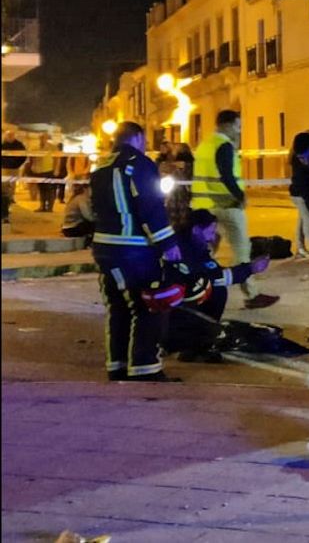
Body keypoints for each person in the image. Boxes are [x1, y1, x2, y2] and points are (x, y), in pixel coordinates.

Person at [90, 121, 183, 382]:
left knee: (118, 307)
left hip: (105, 248)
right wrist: (168, 243)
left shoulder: (101, 166)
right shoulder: (139, 163)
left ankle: (117, 365)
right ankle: (145, 368)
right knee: (148, 305)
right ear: (139, 138)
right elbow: (150, 206)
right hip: (132, 248)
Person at [191, 110, 277, 309]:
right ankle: (251, 294)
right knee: (241, 249)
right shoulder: (224, 146)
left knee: (205, 251)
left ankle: (195, 287)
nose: (239, 131)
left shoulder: (205, 145)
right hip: (227, 206)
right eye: (237, 126)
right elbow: (226, 176)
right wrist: (240, 196)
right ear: (226, 125)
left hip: (204, 208)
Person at [163, 209, 272, 362]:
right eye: (211, 231)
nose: (213, 236)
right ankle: (191, 343)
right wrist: (250, 269)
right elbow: (212, 277)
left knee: (216, 290)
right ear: (196, 230)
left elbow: (214, 271)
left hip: (177, 305)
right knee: (215, 291)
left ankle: (195, 342)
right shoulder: (184, 249)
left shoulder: (195, 246)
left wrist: (247, 268)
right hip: (174, 309)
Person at [288, 131, 309, 260]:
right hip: (300, 194)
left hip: (296, 193)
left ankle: (300, 247)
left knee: (302, 220)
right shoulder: (302, 159)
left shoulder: (294, 155)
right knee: (308, 221)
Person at [60, 175, 95, 244]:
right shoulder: (82, 199)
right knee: (95, 225)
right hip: (72, 228)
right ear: (86, 189)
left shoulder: (76, 197)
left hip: (68, 227)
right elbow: (88, 216)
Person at [0, 129, 25, 225]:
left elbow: (23, 156)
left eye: (11, 135)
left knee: (11, 187)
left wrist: (17, 164)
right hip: (4, 168)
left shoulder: (19, 145)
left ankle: (9, 202)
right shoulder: (3, 144)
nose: (9, 136)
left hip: (14, 168)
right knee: (4, 189)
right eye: (8, 135)